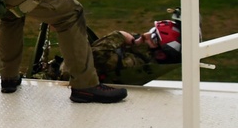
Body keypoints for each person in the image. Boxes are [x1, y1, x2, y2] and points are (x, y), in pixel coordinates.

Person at [34, 16, 183, 85]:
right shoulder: (140, 52)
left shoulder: (135, 63)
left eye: (154, 38)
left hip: (57, 79)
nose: (145, 35)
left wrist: (119, 36)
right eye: (152, 30)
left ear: (161, 53)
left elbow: (96, 55)